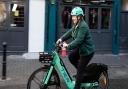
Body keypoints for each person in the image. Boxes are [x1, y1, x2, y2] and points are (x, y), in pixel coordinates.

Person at [56, 7, 95, 89]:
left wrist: (68, 46)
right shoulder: (77, 24)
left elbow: (79, 40)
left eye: (74, 16)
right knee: (71, 57)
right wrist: (61, 38)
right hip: (81, 48)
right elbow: (70, 32)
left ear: (79, 17)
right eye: (72, 16)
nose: (72, 18)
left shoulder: (83, 26)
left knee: (80, 71)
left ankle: (78, 83)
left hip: (87, 51)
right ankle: (84, 72)